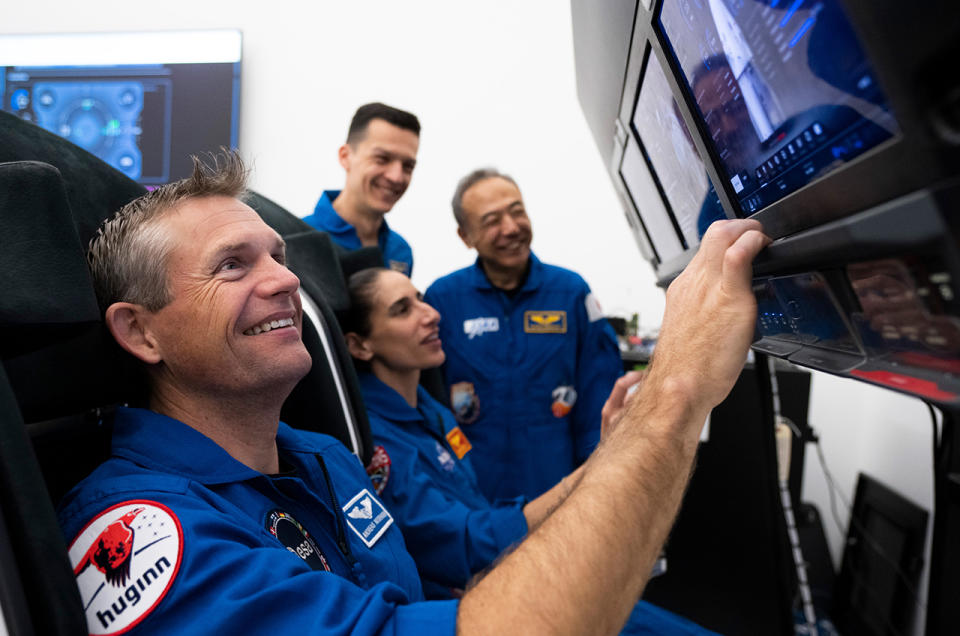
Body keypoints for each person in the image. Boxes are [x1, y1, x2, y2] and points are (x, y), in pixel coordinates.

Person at [58, 150, 769, 634]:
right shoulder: (139, 531)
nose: (283, 280)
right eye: (231, 266)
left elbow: (420, 594)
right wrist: (675, 393)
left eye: (277, 256)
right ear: (141, 333)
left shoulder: (325, 459)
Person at [342, 266, 717, 634]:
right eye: (402, 309)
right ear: (360, 345)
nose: (431, 314)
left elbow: (475, 509)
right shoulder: (375, 442)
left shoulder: (432, 410)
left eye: (420, 299)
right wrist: (606, 461)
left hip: (504, 568)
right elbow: (464, 545)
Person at [424, 168, 623, 501]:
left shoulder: (571, 293)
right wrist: (457, 468)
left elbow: (598, 397)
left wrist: (593, 482)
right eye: (491, 221)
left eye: (517, 211)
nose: (511, 228)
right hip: (471, 499)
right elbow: (429, 405)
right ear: (465, 236)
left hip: (557, 491)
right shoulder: (442, 300)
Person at [301, 102, 419, 275]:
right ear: (345, 156)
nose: (396, 177)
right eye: (382, 159)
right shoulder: (300, 238)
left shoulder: (400, 251)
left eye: (408, 166)